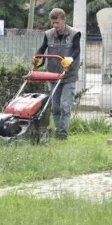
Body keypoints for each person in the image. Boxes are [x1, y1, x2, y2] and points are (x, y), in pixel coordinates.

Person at [34, 8, 81, 141]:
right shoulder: (48, 34)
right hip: (53, 75)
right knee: (55, 107)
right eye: (53, 23)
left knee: (65, 106)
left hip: (69, 75)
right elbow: (43, 48)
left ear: (64, 21)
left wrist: (70, 59)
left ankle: (62, 134)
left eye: (57, 22)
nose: (55, 25)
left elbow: (77, 50)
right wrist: (37, 58)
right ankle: (58, 131)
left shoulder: (74, 33)